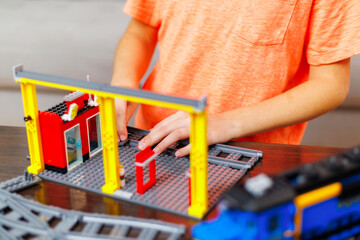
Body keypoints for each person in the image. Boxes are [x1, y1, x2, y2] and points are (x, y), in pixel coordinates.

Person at [111, 0, 360, 157]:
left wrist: (223, 124)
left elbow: (331, 84)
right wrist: (124, 83)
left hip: (249, 154)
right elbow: (139, 32)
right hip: (151, 135)